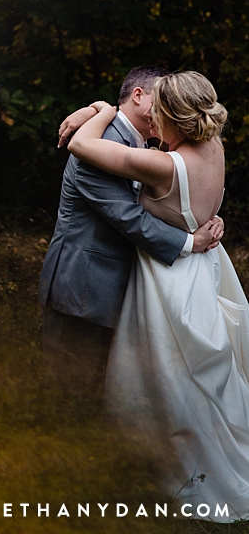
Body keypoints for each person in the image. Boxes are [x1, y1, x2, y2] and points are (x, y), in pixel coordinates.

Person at [67, 71, 249, 522]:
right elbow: (201, 203)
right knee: (200, 379)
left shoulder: (163, 166)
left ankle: (164, 467)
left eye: (158, 113)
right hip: (205, 268)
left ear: (174, 115)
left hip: (169, 277)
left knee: (165, 377)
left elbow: (80, 146)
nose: (151, 121)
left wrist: (101, 109)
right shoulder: (214, 148)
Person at [38, 67, 223, 408]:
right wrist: (190, 242)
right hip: (84, 287)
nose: (164, 108)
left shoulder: (151, 146)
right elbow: (129, 217)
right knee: (67, 394)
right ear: (139, 97)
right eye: (160, 99)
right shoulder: (98, 146)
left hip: (121, 287)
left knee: (105, 394)